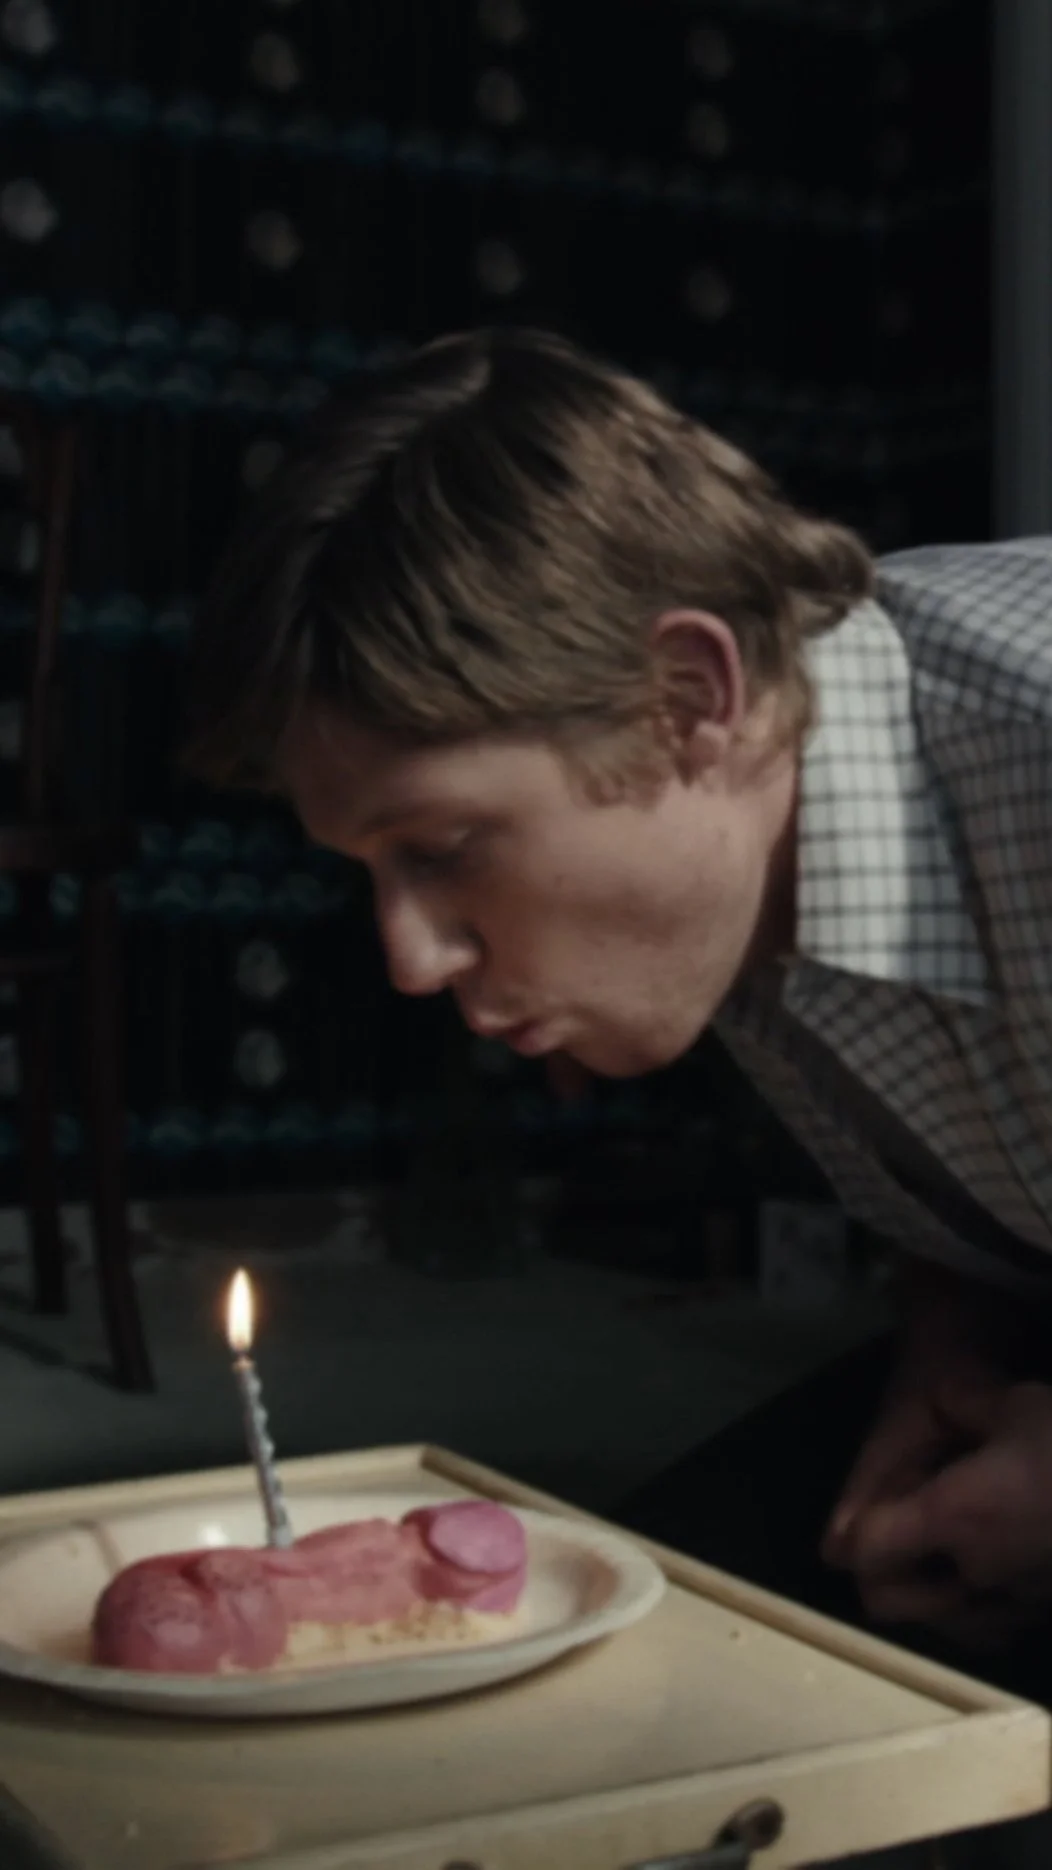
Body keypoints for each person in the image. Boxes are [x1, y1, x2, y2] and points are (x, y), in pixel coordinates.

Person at [186, 325, 1052, 1701]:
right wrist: (952, 1345)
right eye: (371, 873)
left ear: (686, 696)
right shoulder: (732, 842)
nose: (409, 956)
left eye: (449, 842)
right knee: (629, 1657)